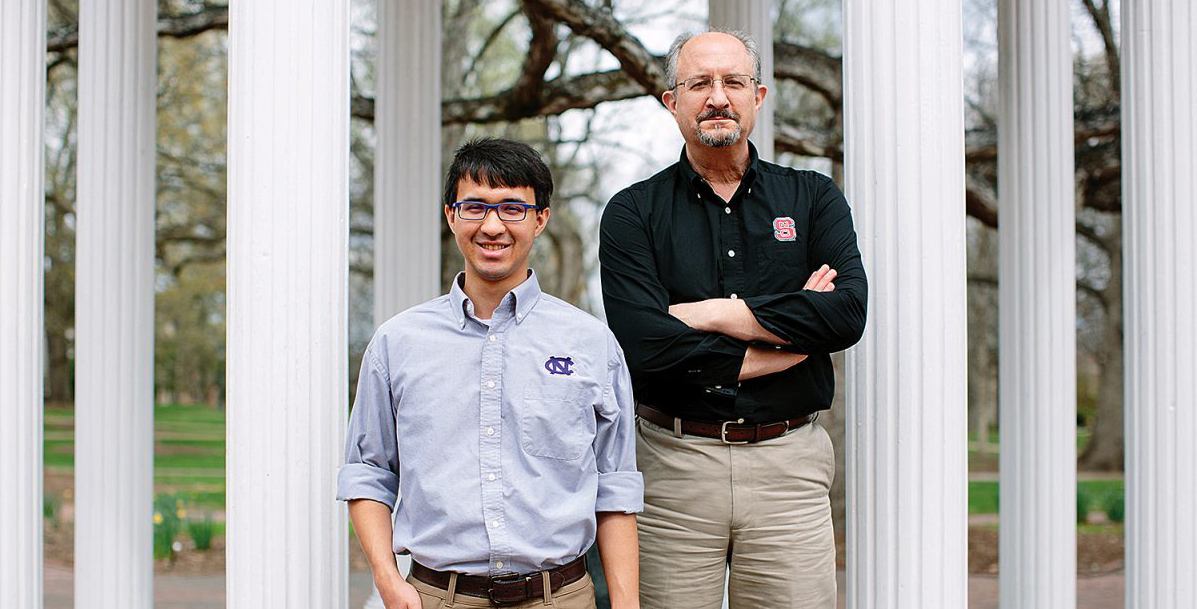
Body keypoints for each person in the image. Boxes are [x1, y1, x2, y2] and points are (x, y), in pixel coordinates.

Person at [599, 30, 867, 608]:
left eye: (733, 82)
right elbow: (645, 346)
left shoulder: (814, 197)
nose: (717, 97)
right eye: (699, 83)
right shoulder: (632, 213)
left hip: (789, 466)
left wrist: (720, 314)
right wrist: (786, 340)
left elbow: (845, 313)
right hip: (672, 467)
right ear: (672, 102)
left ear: (758, 96)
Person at [340, 137, 643, 609]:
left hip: (560, 597)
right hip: (434, 597)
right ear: (451, 216)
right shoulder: (397, 343)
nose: (493, 226)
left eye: (513, 209)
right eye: (475, 206)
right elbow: (367, 473)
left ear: (541, 218)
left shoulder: (592, 345)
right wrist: (387, 579)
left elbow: (616, 489)